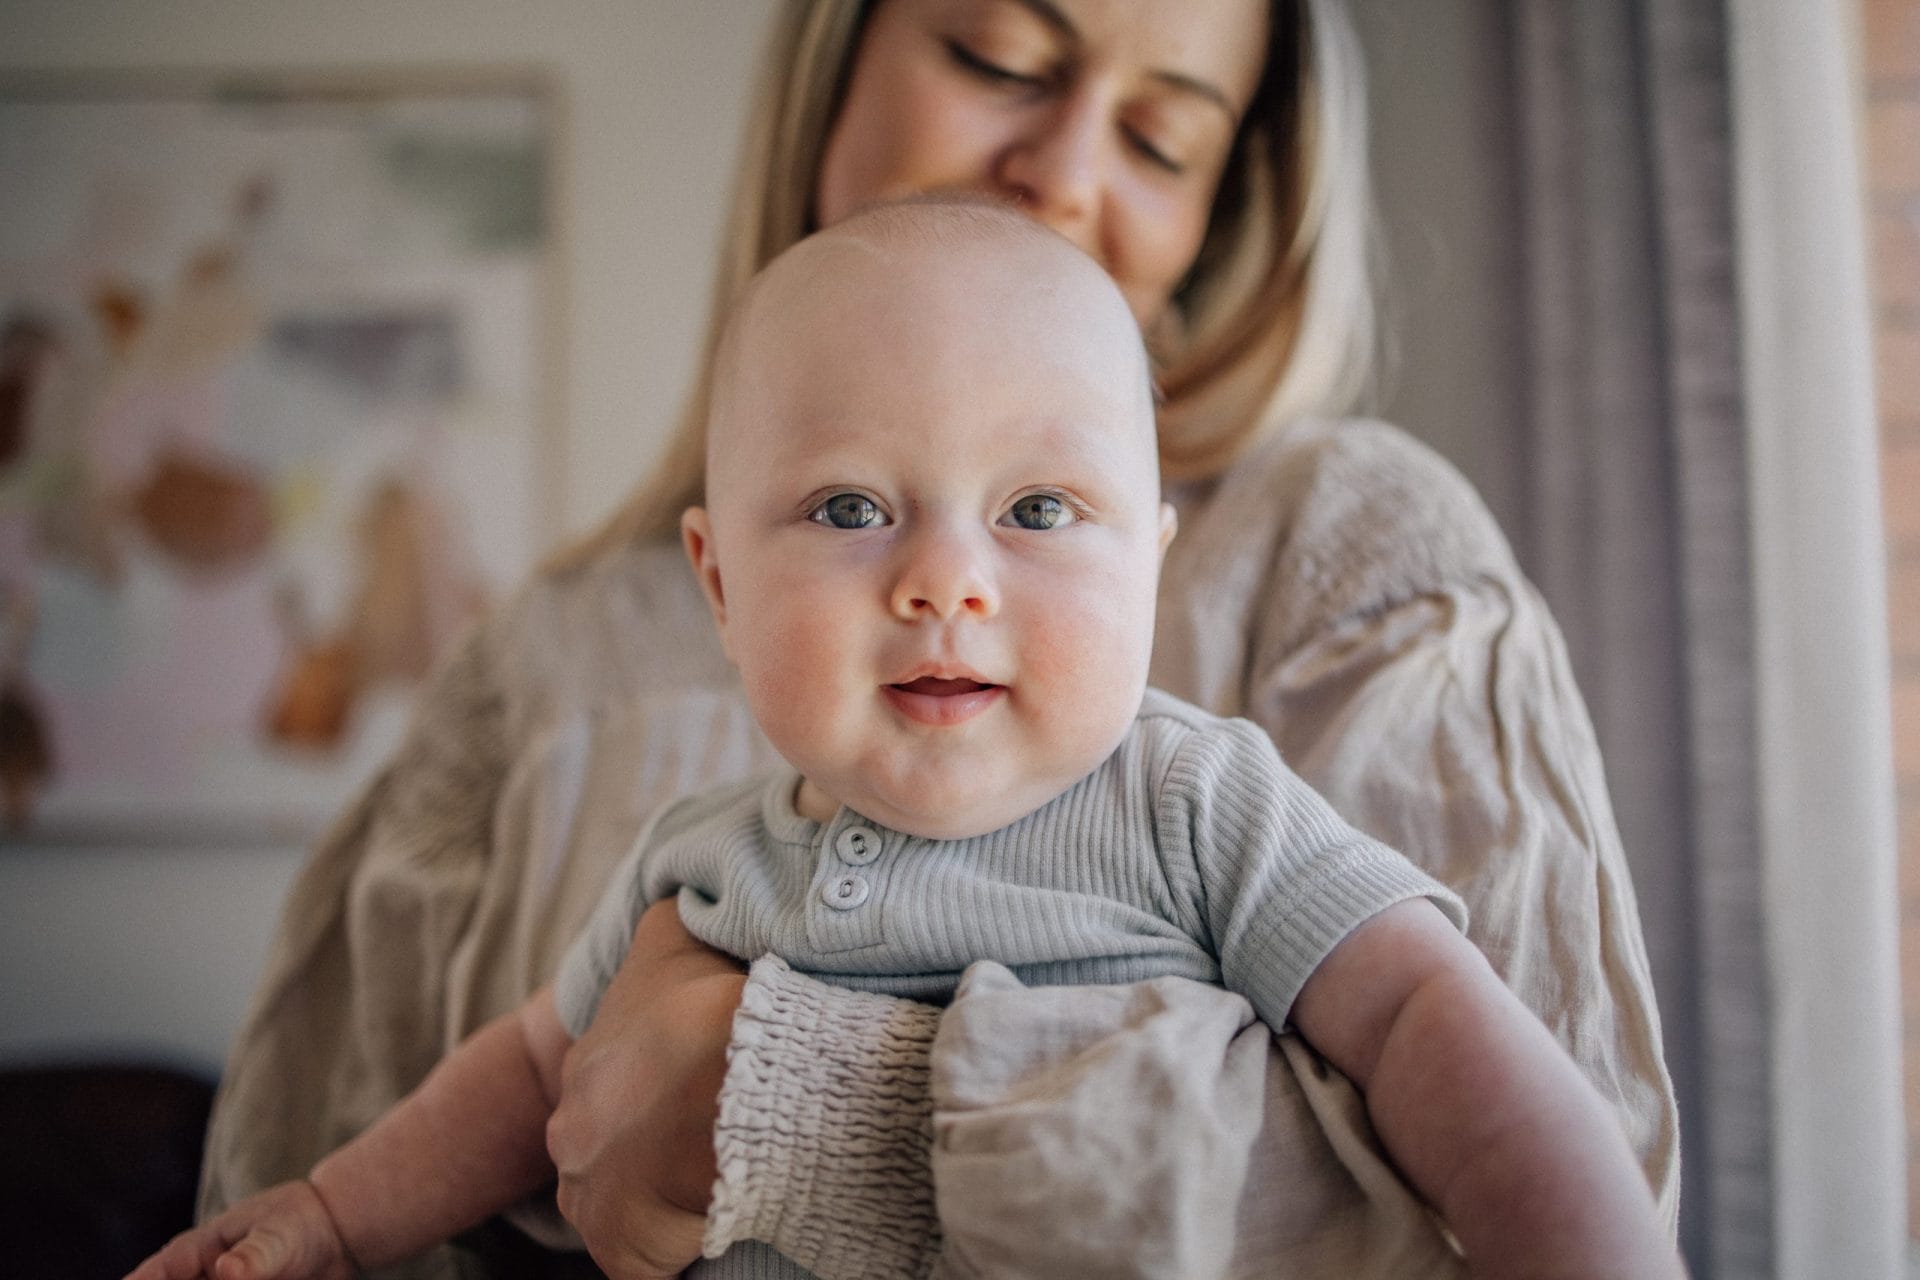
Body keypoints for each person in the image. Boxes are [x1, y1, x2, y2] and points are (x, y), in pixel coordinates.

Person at [199, 2, 1682, 1278]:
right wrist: (328, 1212)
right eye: (996, 54)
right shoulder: (702, 849)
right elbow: (525, 1073)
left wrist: (779, 1107)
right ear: (720, 583)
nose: (946, 584)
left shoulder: (1201, 797)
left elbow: (1461, 1048)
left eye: (1042, 505)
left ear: (1154, 560)